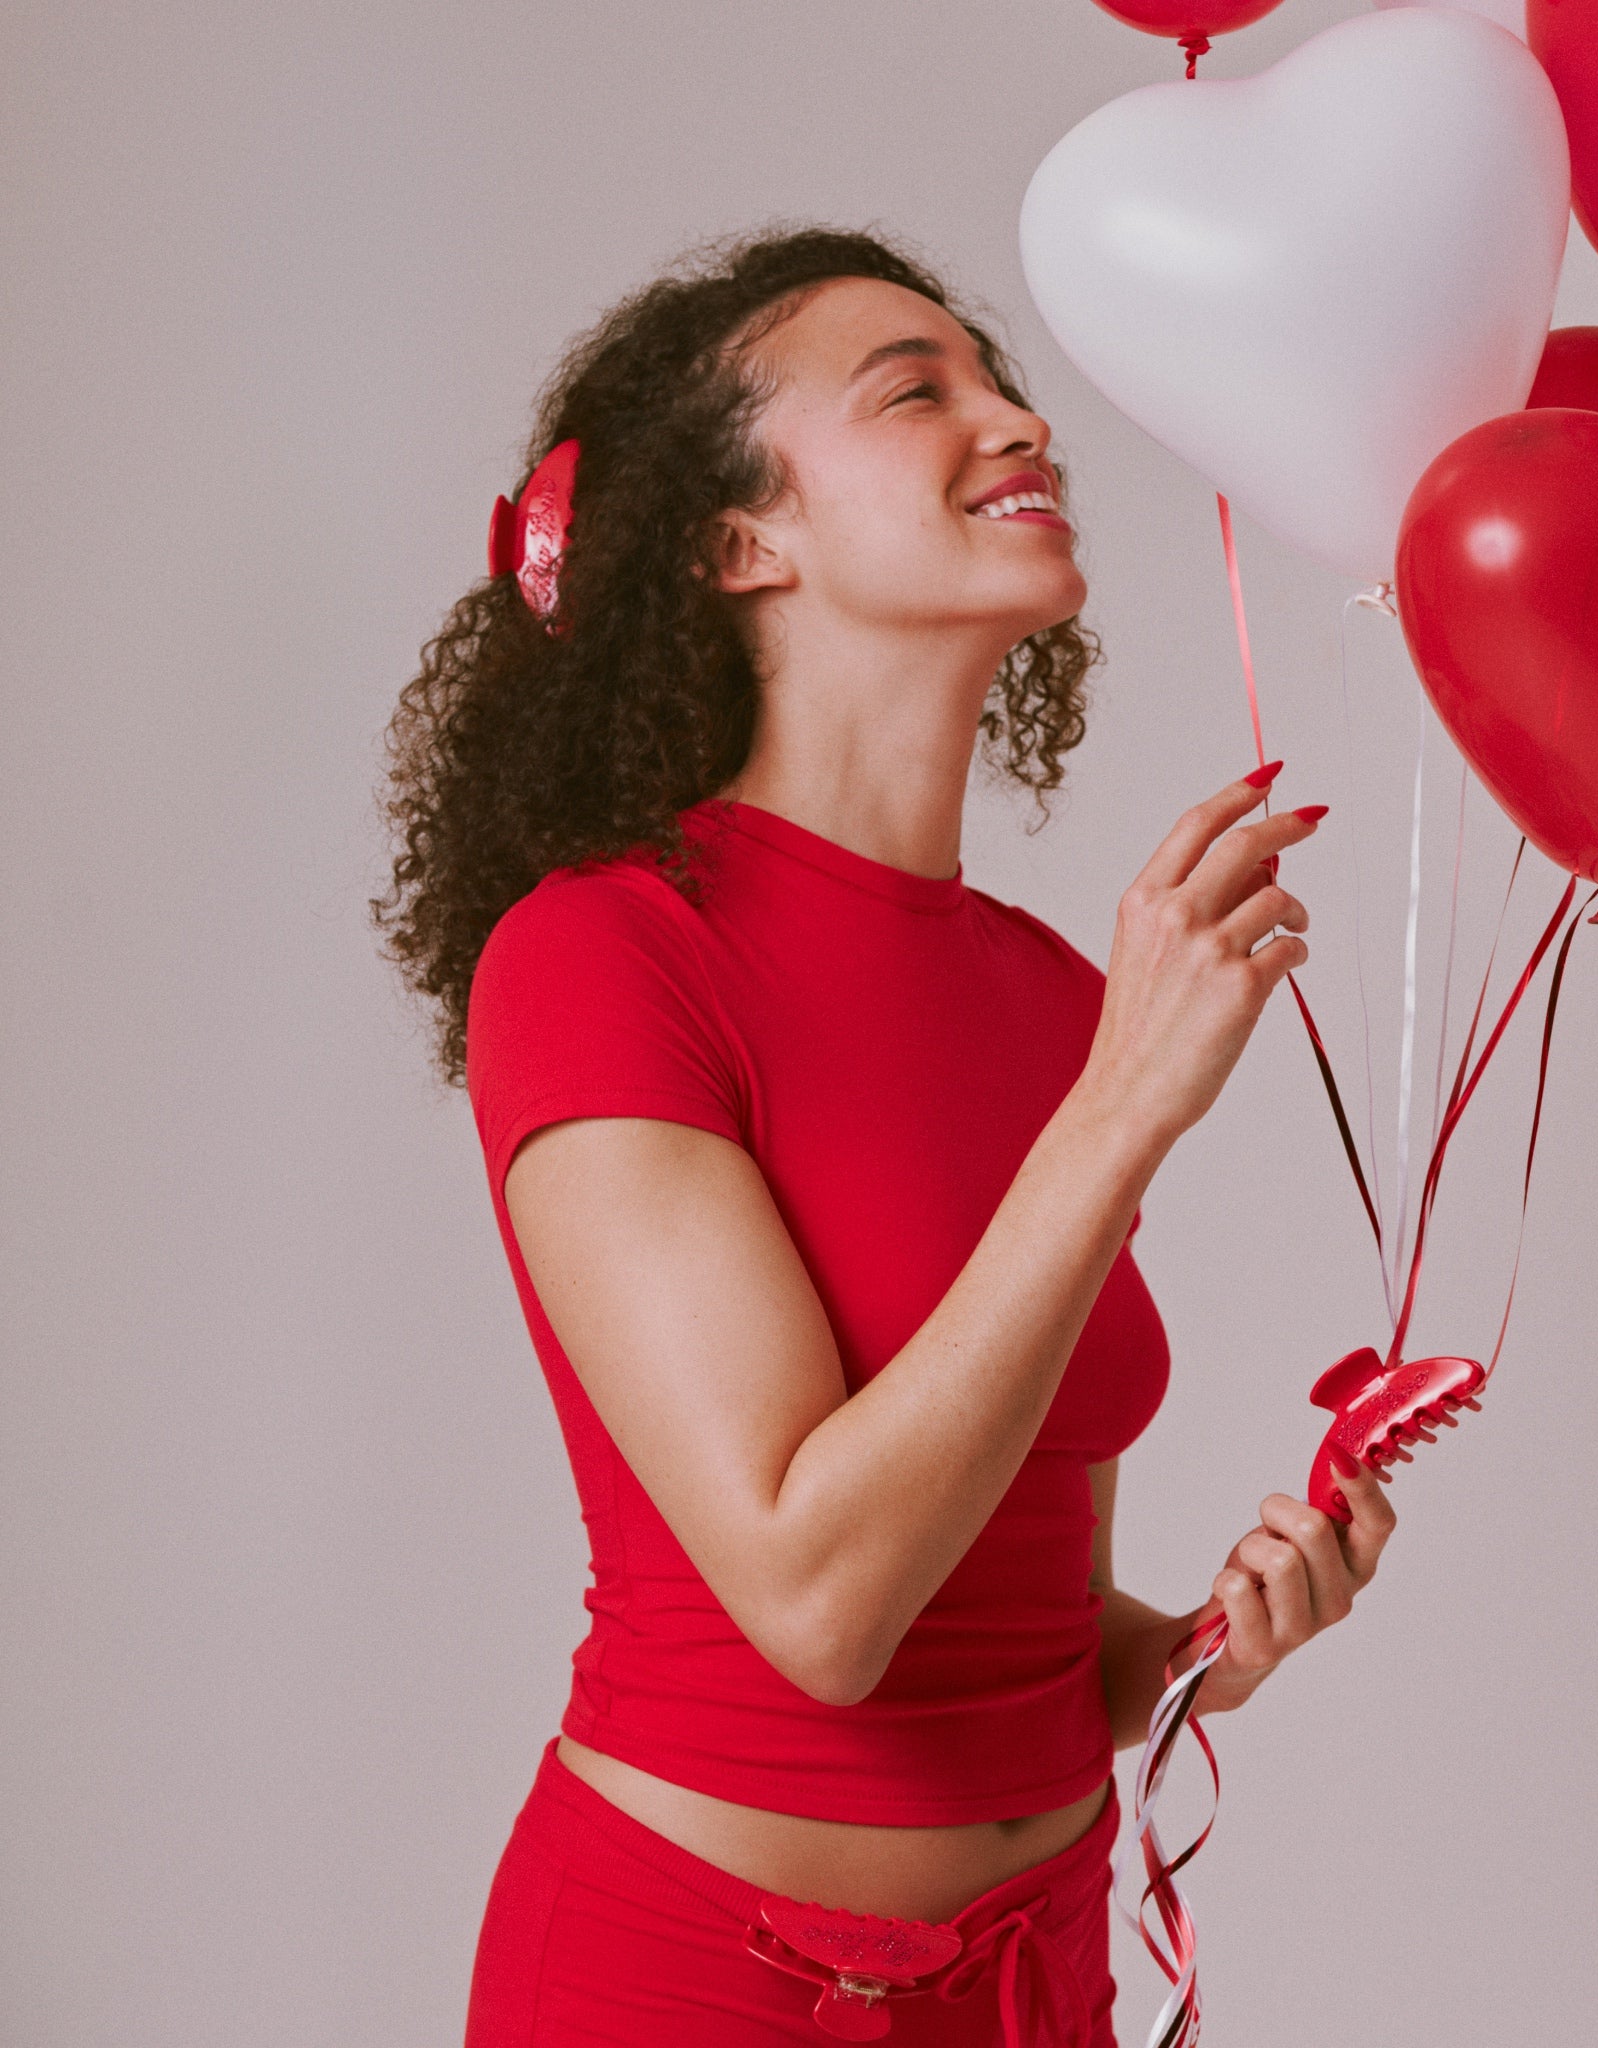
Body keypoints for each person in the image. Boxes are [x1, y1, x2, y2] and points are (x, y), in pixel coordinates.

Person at [376, 226, 1397, 2047]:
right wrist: (1124, 1108)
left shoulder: (1052, 991)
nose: (1021, 422)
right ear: (737, 543)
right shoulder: (602, 953)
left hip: (1038, 1977)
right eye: (916, 390)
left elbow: (1017, 1620)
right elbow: (823, 1602)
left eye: (1000, 381)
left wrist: (1200, 1652)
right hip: (696, 1989)